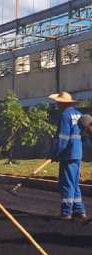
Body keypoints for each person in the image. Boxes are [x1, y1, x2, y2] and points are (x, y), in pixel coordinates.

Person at [48, 92, 85, 220]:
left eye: (58, 102)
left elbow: (63, 138)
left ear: (62, 103)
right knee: (74, 184)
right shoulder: (79, 115)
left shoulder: (65, 115)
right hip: (77, 153)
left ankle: (66, 212)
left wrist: (55, 153)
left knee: (67, 184)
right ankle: (79, 210)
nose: (57, 104)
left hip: (68, 155)